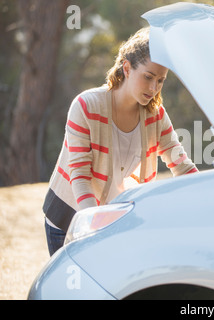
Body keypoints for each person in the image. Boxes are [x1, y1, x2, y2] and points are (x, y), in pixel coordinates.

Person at [43, 27, 198, 256]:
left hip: (112, 223)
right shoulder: (85, 106)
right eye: (148, 77)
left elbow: (182, 166)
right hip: (69, 218)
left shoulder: (155, 116)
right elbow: (81, 177)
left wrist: (213, 196)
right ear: (127, 68)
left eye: (160, 81)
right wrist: (93, 229)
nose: (154, 88)